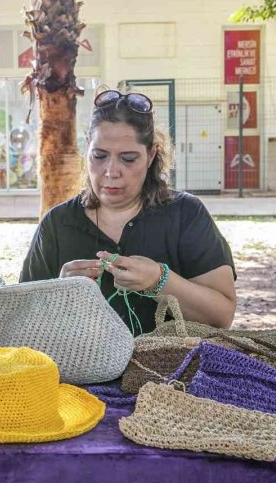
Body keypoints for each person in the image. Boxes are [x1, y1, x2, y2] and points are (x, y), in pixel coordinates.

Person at [20, 90, 236, 335]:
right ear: (87, 149)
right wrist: (60, 292)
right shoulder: (58, 224)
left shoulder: (185, 214)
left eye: (128, 158)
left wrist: (160, 281)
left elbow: (222, 315)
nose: (111, 171)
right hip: (81, 373)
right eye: (99, 156)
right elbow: (21, 318)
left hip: (171, 369)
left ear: (151, 155)